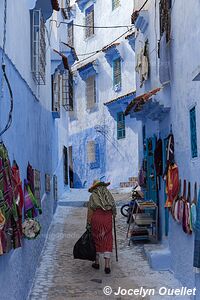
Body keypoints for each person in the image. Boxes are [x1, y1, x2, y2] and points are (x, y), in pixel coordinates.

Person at [86, 179, 117, 274]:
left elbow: (90, 211)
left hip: (97, 218)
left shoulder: (93, 196)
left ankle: (97, 262)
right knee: (107, 238)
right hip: (107, 218)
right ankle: (107, 266)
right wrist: (113, 215)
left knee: (96, 238)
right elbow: (113, 207)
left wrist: (88, 223)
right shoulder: (108, 194)